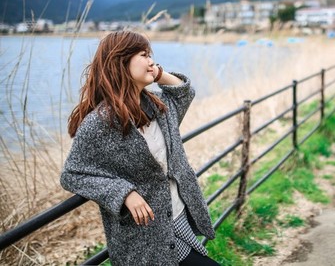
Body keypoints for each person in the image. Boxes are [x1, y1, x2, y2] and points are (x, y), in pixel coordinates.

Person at [60, 31, 220, 265]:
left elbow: (185, 92)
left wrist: (160, 74)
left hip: (177, 216)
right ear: (120, 62)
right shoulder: (99, 123)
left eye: (151, 55)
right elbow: (73, 174)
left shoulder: (159, 106)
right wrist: (123, 193)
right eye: (144, 55)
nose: (151, 61)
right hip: (146, 238)